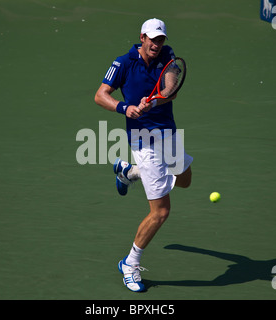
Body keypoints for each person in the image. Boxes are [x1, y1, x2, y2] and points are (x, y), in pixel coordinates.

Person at [94, 18, 193, 292]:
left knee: (185, 180)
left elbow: (170, 90)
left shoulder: (168, 56)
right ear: (142, 37)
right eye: (152, 39)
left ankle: (130, 172)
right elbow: (100, 95)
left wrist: (155, 101)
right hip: (144, 140)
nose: (157, 44)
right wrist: (124, 108)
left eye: (161, 39)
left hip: (168, 134)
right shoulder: (123, 63)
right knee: (161, 212)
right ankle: (130, 263)